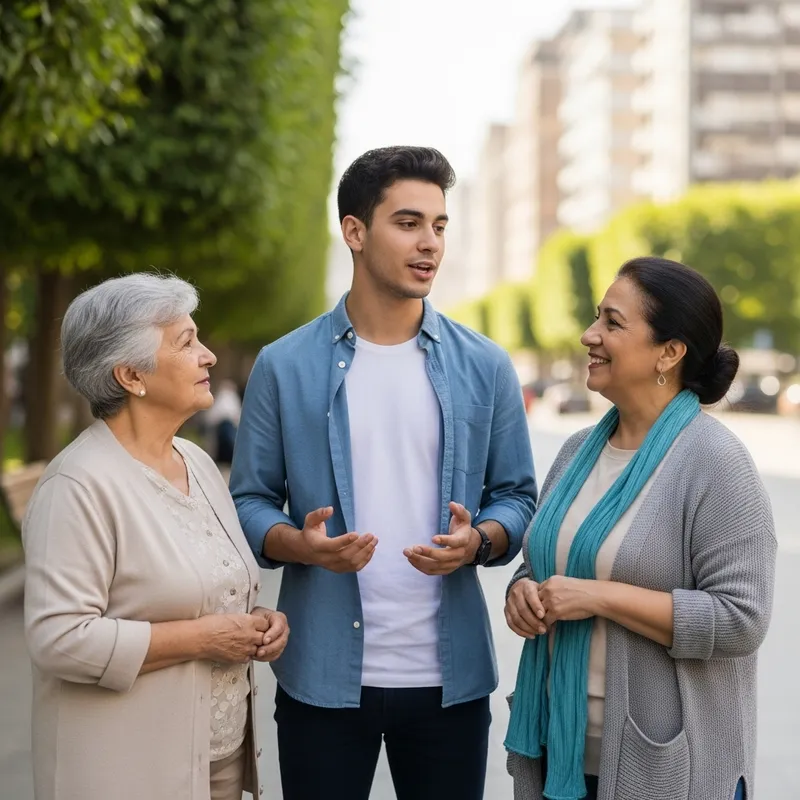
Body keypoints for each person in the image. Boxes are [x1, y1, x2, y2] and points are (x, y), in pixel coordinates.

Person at [230, 146, 537, 800]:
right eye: (408, 222)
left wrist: (481, 540)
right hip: (321, 678)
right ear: (354, 231)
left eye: (440, 225)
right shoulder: (284, 366)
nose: (430, 243)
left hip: (449, 683)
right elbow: (251, 499)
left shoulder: (485, 365)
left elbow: (517, 497)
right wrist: (298, 545)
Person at [503, 257, 776, 800]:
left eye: (612, 322)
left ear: (669, 352)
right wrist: (521, 594)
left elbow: (742, 620)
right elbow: (540, 565)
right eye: (595, 318)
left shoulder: (716, 462)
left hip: (670, 768)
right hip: (560, 752)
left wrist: (600, 596)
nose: (589, 335)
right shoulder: (577, 451)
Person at [22, 273, 290, 800]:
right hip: (126, 771)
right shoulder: (76, 485)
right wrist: (206, 638)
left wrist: (258, 621)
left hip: (220, 762)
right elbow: (58, 639)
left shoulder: (196, 461)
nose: (209, 355)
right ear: (130, 375)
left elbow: (215, 586)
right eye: (187, 343)